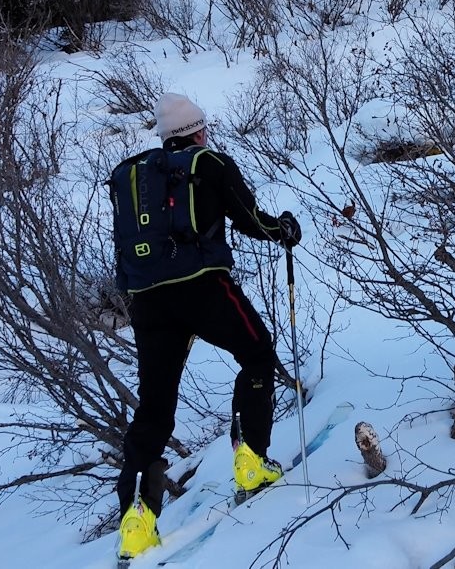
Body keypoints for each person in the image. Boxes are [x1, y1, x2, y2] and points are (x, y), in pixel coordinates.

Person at [114, 93, 302, 561]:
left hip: (148, 302)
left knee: (155, 408)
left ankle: (137, 521)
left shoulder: (137, 174)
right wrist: (284, 230)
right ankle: (251, 459)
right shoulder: (211, 163)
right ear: (198, 131)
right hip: (203, 288)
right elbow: (249, 219)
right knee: (256, 354)